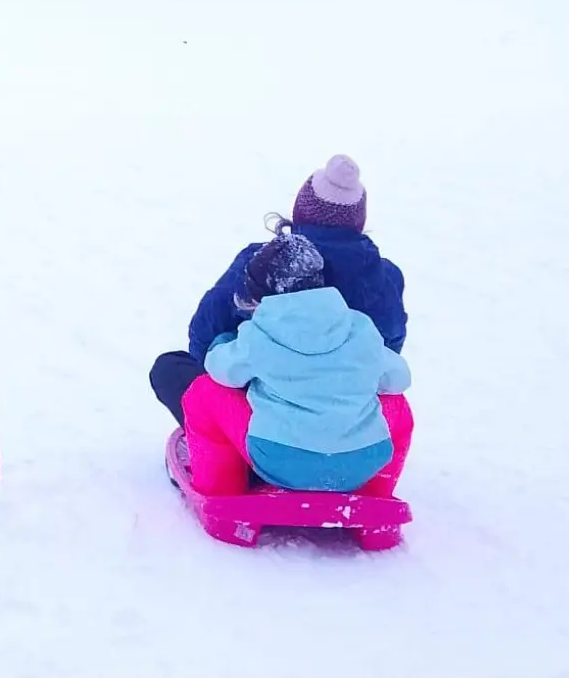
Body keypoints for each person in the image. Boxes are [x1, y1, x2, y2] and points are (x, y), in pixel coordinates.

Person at [150, 154, 407, 427]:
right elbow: (390, 352)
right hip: (349, 420)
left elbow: (206, 332)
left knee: (173, 367)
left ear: (301, 210)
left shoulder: (261, 265)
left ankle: (224, 444)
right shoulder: (385, 278)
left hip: (266, 419)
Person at [182, 231, 414, 497]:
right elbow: (399, 378)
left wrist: (223, 343)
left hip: (279, 461)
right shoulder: (360, 327)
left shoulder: (259, 333)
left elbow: (223, 371)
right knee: (398, 404)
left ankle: (222, 492)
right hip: (362, 462)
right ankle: (375, 496)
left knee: (203, 393)